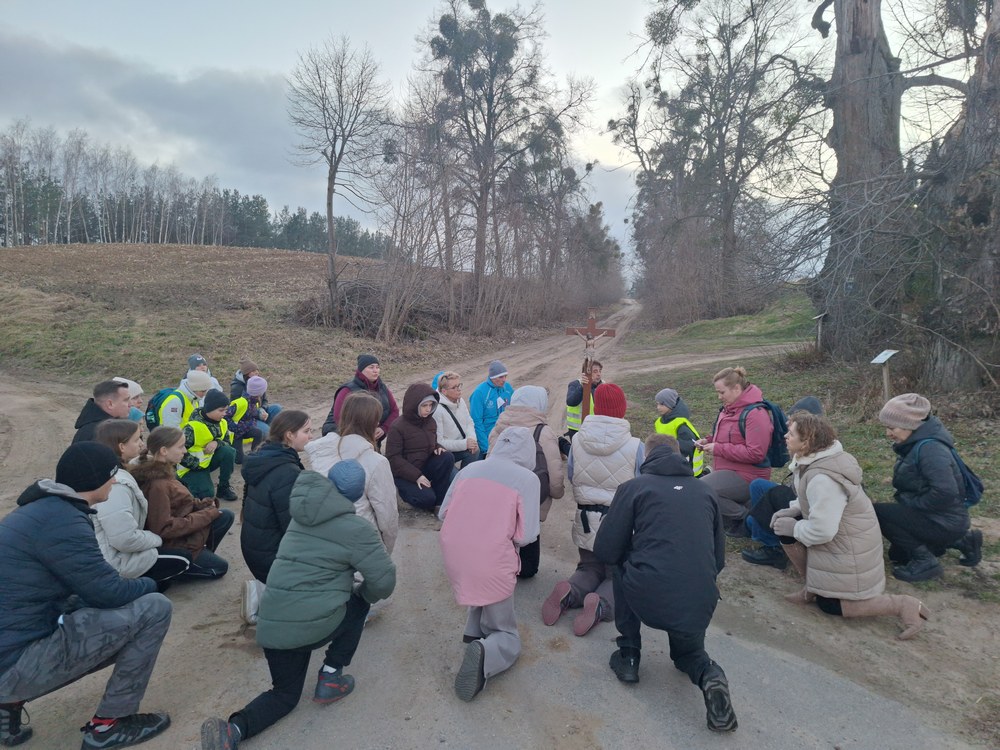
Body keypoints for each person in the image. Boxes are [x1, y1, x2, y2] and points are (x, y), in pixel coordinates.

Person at [199, 461, 396, 750]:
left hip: (273, 624)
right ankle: (331, 675)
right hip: (315, 624)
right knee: (360, 601)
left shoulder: (300, 518)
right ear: (358, 494)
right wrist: (361, 592)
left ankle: (232, 731)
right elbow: (384, 582)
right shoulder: (356, 529)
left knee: (284, 696)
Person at [0, 442, 172, 749]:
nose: (115, 481)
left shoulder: (42, 511)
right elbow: (108, 592)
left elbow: (79, 592)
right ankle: (109, 726)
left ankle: (5, 707)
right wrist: (151, 583)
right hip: (14, 663)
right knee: (154, 609)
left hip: (9, 650)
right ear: (96, 480)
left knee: (88, 611)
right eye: (112, 475)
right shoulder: (63, 521)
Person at [593, 433, 737, 733]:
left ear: (645, 457)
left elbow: (606, 550)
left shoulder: (633, 488)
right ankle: (708, 674)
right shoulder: (705, 490)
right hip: (700, 597)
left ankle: (629, 653)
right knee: (689, 655)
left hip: (647, 594)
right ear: (679, 456)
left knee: (620, 564)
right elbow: (718, 558)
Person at [771, 412, 930, 639]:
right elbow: (813, 501)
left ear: (806, 441)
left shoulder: (823, 478)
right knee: (783, 526)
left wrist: (793, 528)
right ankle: (812, 588)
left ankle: (903, 605)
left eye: (791, 433)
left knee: (830, 606)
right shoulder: (813, 462)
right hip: (842, 540)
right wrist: (793, 509)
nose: (786, 436)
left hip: (850, 548)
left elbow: (823, 530)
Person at [438, 427, 541, 702]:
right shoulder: (527, 479)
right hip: (492, 560)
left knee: (479, 576)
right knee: (507, 631)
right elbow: (527, 535)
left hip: (453, 552)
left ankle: (474, 632)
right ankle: (490, 651)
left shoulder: (470, 470)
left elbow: (443, 513)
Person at [543, 384, 643, 637]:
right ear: (622, 408)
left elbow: (572, 475)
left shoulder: (577, 440)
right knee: (615, 574)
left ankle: (571, 592)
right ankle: (601, 604)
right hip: (619, 523)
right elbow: (641, 484)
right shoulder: (635, 445)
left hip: (586, 517)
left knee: (589, 567)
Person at [873, 393, 976, 582]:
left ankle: (925, 561)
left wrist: (911, 506)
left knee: (878, 512)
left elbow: (945, 492)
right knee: (898, 556)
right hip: (940, 517)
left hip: (944, 522)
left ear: (910, 425)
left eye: (892, 428)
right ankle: (962, 541)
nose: (888, 433)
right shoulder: (915, 443)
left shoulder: (931, 450)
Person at [93, 420, 190, 582]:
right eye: (137, 439)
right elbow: (123, 539)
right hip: (114, 562)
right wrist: (158, 539)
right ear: (122, 447)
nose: (141, 444)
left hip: (122, 549)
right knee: (183, 559)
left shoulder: (126, 469)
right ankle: (134, 587)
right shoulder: (116, 486)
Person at [132, 427, 234, 581]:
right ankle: (181, 566)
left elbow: (181, 503)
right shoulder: (157, 485)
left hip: (183, 530)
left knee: (225, 515)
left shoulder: (163, 470)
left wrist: (204, 505)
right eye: (180, 447)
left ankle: (201, 554)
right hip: (175, 542)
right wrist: (206, 514)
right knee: (220, 568)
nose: (185, 451)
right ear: (164, 451)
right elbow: (164, 528)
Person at [305, 392, 398, 553]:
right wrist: (385, 550)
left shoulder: (321, 452)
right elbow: (387, 515)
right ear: (373, 423)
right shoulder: (376, 462)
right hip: (361, 543)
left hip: (325, 540)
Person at [488, 385, 565, 578]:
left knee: (501, 533)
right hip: (529, 501)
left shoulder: (499, 426)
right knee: (528, 554)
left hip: (499, 495)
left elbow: (489, 460)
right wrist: (557, 492)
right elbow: (553, 472)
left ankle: (499, 563)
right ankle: (523, 568)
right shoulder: (543, 432)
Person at [742, 396, 824, 569]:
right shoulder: (809, 448)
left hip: (808, 510)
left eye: (792, 428)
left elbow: (812, 498)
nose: (786, 433)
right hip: (800, 499)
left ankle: (774, 549)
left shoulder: (820, 459)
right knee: (751, 521)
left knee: (759, 489)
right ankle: (767, 532)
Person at [696, 366, 774, 536]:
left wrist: (718, 448)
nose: (719, 397)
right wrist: (709, 440)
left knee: (701, 489)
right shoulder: (728, 409)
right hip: (729, 470)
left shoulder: (755, 414)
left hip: (749, 475)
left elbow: (756, 453)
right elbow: (731, 436)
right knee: (700, 489)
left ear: (736, 388)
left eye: (722, 392)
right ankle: (736, 515)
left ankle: (746, 518)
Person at [241, 410, 312, 584]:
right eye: (306, 431)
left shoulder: (264, 457)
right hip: (271, 563)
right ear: (289, 435)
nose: (311, 436)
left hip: (254, 552)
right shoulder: (287, 472)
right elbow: (293, 528)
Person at [386, 383, 455, 511]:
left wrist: (437, 446)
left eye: (431, 405)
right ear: (414, 405)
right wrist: (416, 476)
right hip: (405, 474)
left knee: (447, 457)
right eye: (424, 405)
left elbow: (431, 441)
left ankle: (440, 503)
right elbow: (393, 458)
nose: (428, 409)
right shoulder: (397, 427)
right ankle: (402, 494)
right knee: (427, 499)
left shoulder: (430, 422)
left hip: (424, 466)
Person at [177, 389, 238, 501]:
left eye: (226, 410)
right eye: (221, 410)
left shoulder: (223, 422)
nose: (225, 413)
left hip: (207, 461)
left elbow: (227, 443)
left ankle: (223, 487)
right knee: (207, 495)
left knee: (229, 451)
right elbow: (178, 453)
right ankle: (183, 482)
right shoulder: (191, 428)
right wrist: (198, 466)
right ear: (210, 409)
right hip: (191, 467)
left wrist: (216, 442)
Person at [321, 354, 399, 440]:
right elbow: (339, 418)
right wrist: (364, 434)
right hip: (344, 436)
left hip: (372, 438)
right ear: (361, 370)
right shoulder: (347, 390)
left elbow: (394, 410)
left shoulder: (382, 388)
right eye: (371, 367)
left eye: (377, 367)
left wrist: (384, 428)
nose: (375, 370)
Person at [652, 387, 705, 476]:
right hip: (668, 462)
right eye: (657, 404)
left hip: (685, 468)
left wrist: (667, 450)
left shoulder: (680, 424)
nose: (658, 407)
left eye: (662, 404)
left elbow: (687, 446)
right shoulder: (658, 422)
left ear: (670, 404)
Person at [434, 371, 480, 467]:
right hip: (445, 453)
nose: (459, 389)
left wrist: (471, 440)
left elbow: (469, 422)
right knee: (453, 475)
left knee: (475, 450)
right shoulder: (437, 410)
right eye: (454, 387)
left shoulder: (460, 400)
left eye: (459, 385)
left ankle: (466, 475)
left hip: (461, 444)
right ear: (444, 391)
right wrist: (465, 444)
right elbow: (439, 442)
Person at [468, 360, 514, 456]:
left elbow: (514, 411)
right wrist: (486, 447)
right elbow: (476, 421)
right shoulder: (480, 392)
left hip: (506, 436)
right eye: (500, 377)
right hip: (488, 438)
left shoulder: (508, 388)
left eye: (505, 376)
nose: (504, 380)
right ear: (492, 377)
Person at [229, 358, 282, 438]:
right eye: (253, 371)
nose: (257, 372)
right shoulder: (237, 388)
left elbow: (265, 400)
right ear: (247, 373)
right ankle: (264, 430)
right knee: (268, 432)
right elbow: (240, 411)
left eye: (257, 370)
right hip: (247, 419)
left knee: (277, 408)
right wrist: (258, 413)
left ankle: (265, 428)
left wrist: (263, 409)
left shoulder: (258, 382)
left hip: (259, 413)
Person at [226, 375, 268, 464]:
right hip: (235, 434)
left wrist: (260, 415)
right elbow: (225, 416)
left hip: (246, 429)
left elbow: (251, 414)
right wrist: (235, 428)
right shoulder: (241, 402)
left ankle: (255, 453)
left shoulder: (255, 402)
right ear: (258, 392)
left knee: (258, 433)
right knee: (239, 460)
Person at [565, 360, 604, 440]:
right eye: (595, 371)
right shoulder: (575, 384)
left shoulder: (603, 385)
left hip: (596, 428)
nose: (599, 374)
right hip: (577, 430)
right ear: (586, 373)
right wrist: (582, 387)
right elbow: (571, 402)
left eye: (600, 371)